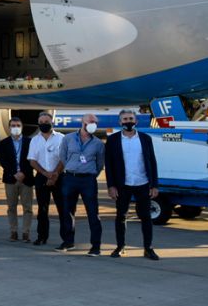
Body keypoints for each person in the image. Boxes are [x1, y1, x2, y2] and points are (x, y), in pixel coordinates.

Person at [105, 110, 160, 260]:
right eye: (124, 119)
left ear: (136, 121)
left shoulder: (145, 138)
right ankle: (120, 247)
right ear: (119, 122)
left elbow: (152, 162)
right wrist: (111, 186)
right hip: (123, 185)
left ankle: (148, 248)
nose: (127, 121)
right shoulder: (113, 140)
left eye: (130, 118)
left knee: (146, 217)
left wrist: (154, 184)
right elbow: (108, 165)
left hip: (143, 183)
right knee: (121, 217)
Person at [56, 113, 104, 255]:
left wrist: (91, 173)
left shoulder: (98, 143)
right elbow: (63, 156)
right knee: (67, 211)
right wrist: (71, 168)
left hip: (88, 180)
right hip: (70, 178)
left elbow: (100, 163)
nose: (93, 124)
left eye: (95, 122)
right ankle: (68, 241)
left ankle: (95, 246)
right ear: (82, 122)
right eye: (90, 121)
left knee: (93, 213)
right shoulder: (68, 138)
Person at [27, 112, 64, 246]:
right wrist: (45, 174)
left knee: (63, 208)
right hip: (42, 177)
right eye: (41, 122)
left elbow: (64, 158)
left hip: (59, 177)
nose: (43, 124)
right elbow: (32, 161)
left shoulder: (61, 138)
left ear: (52, 122)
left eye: (46, 121)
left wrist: (54, 174)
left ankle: (67, 238)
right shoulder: (35, 140)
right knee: (42, 209)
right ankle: (42, 237)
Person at [0, 117, 34, 242]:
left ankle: (26, 232)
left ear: (22, 127)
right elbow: (3, 161)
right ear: (9, 127)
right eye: (13, 125)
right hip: (10, 179)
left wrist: (24, 172)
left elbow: (33, 160)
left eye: (18, 125)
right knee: (11, 207)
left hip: (26, 178)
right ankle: (13, 231)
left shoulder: (30, 142)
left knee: (28, 208)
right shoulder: (3, 143)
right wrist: (14, 173)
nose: (16, 128)